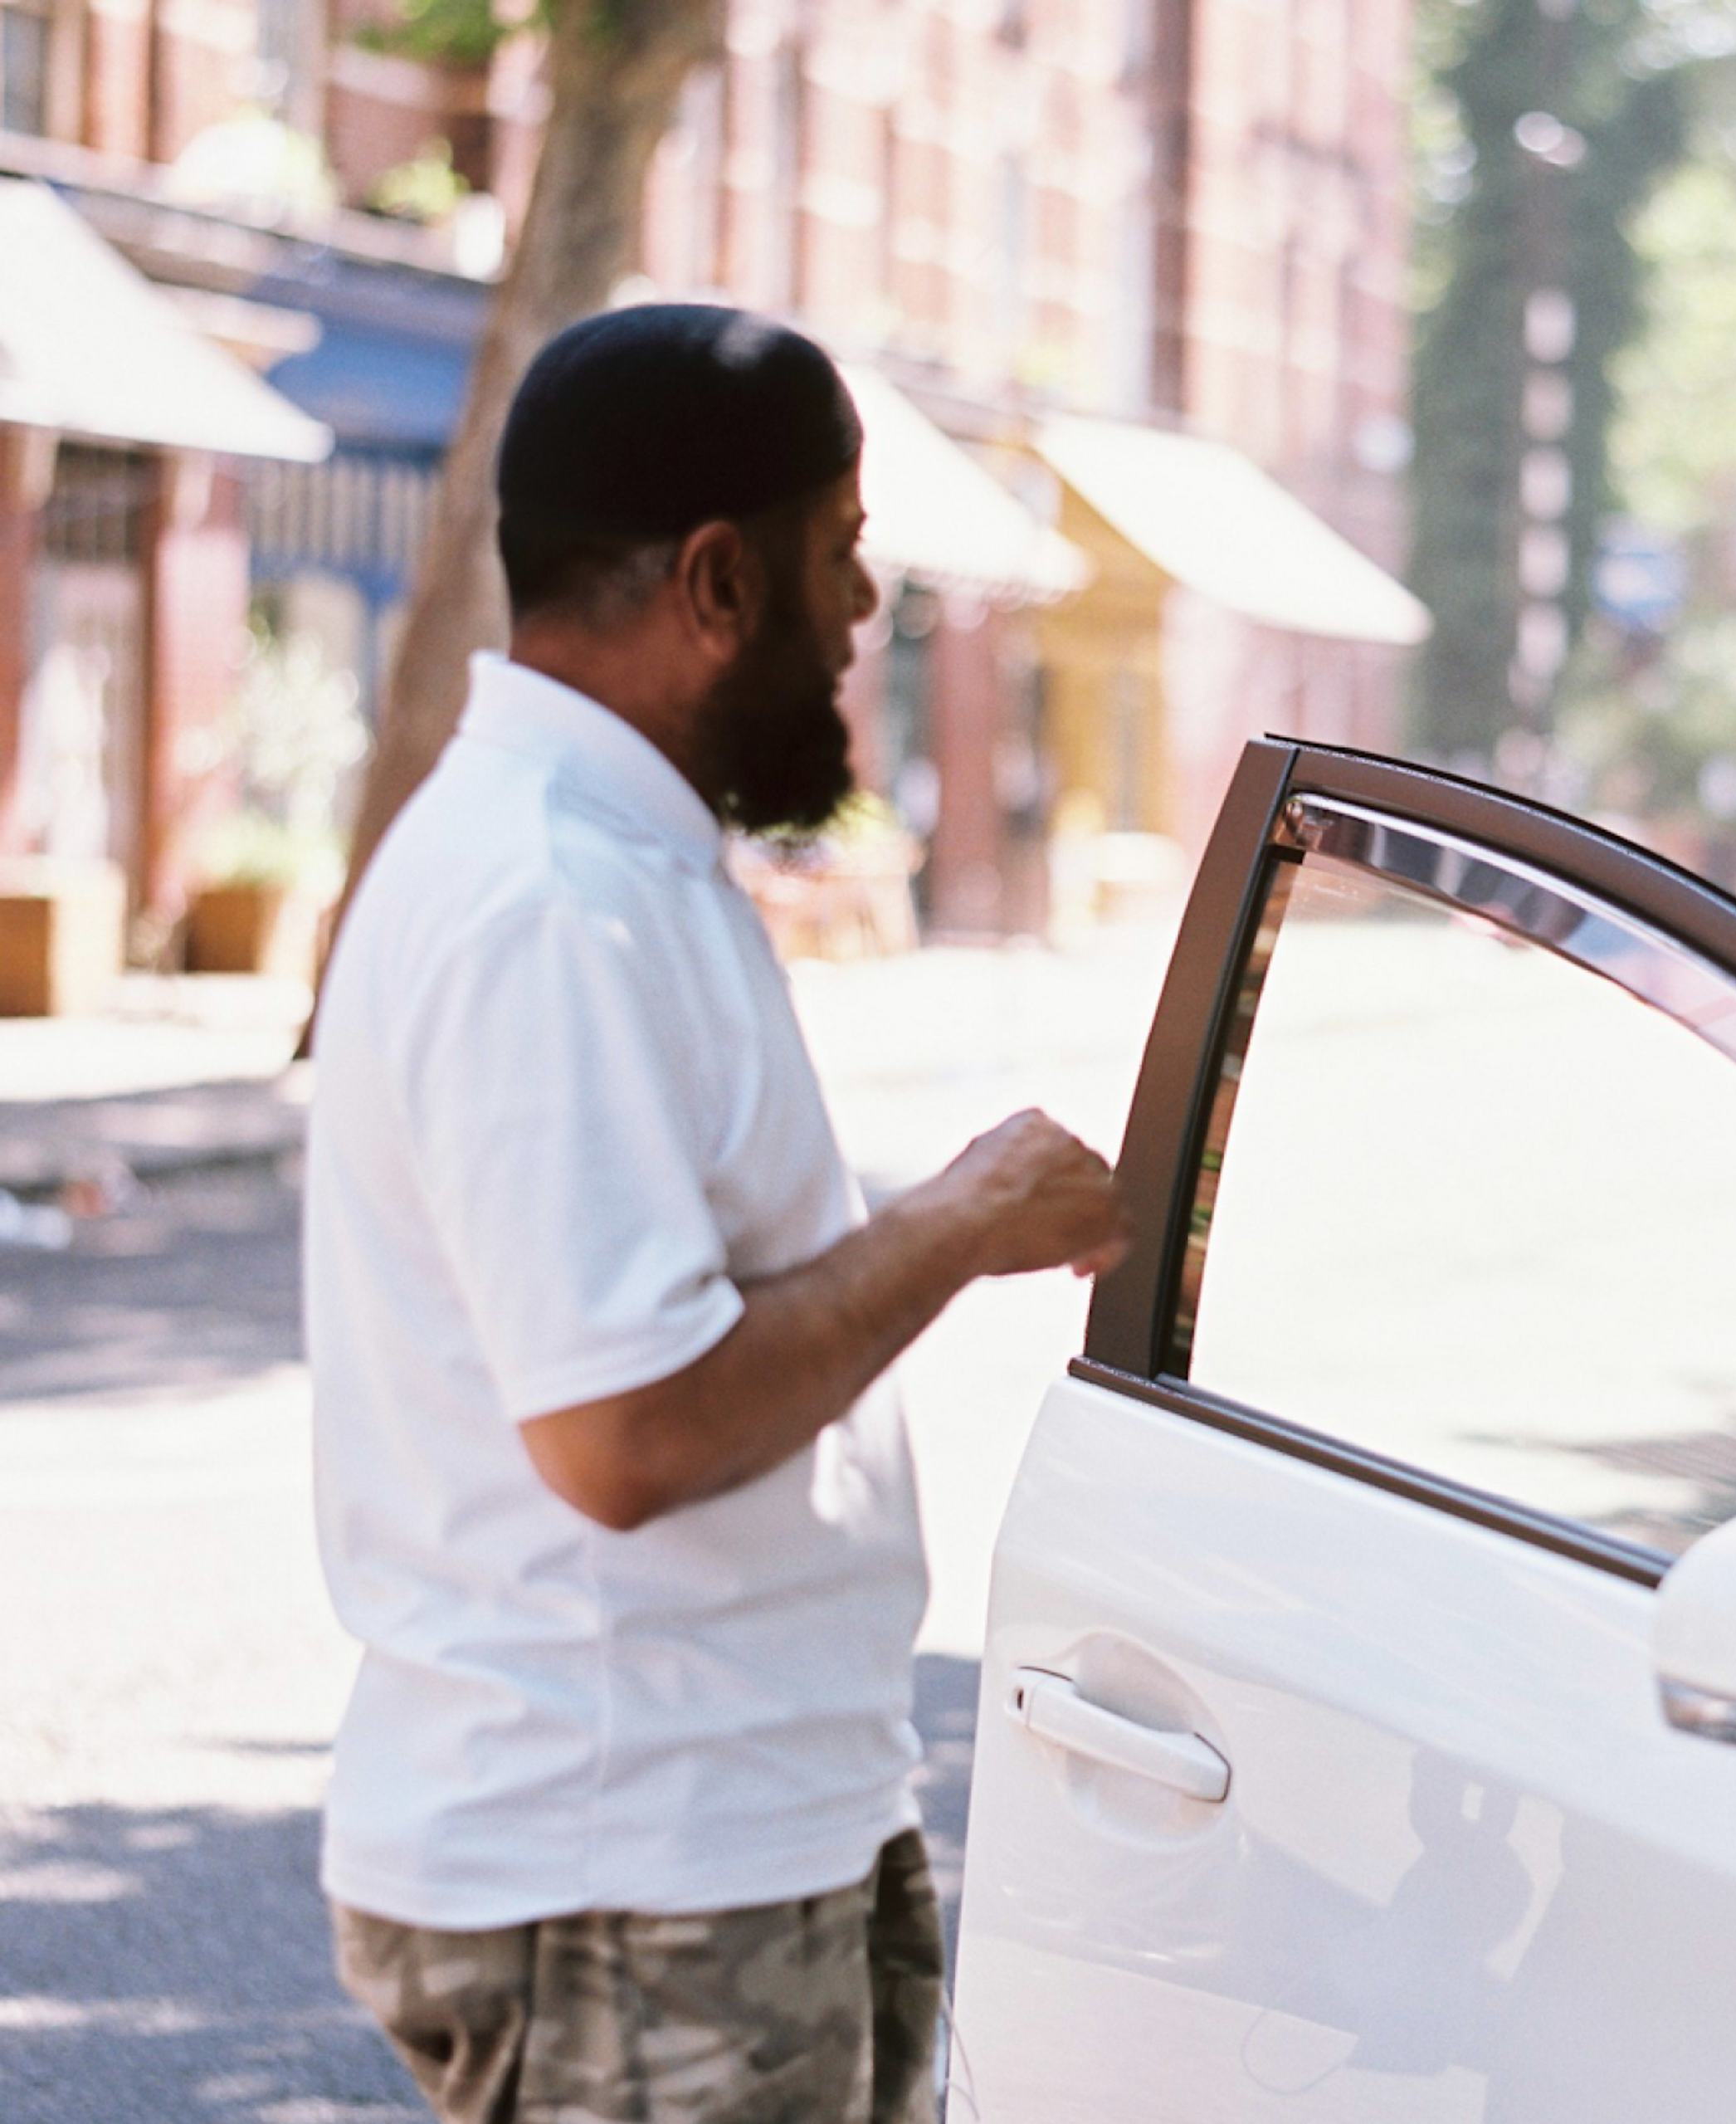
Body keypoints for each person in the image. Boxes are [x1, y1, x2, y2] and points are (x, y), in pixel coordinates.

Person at [305, 305, 1130, 2124]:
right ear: (714, 579)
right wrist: (956, 1222)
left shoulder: (614, 859)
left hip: (709, 1841)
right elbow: (628, 1426)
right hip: (628, 1872)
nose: (864, 616)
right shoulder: (545, 899)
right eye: (840, 557)